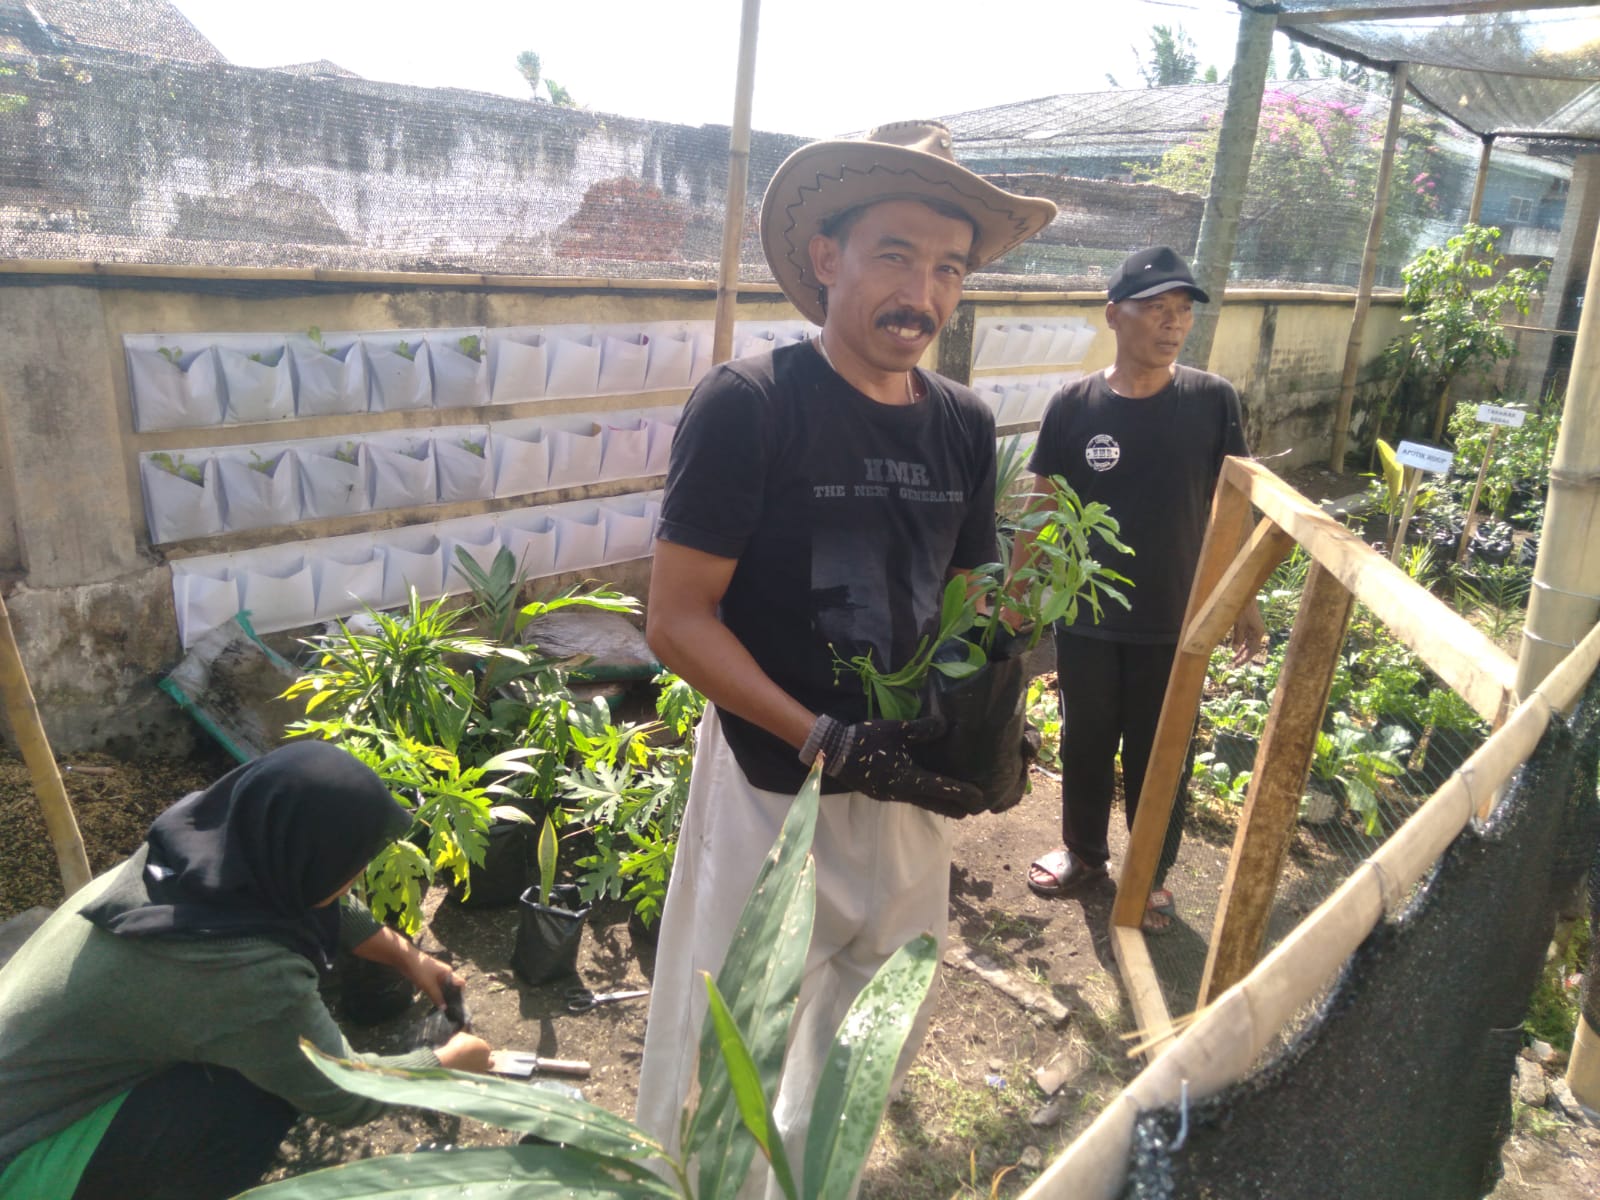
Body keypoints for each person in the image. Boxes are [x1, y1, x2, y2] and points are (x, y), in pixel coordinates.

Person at [634, 121, 1056, 1194]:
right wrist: (819, 734)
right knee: (730, 1044)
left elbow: (960, 600)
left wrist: (996, 695)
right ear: (827, 257)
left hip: (907, 783)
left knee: (875, 1024)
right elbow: (677, 620)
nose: (923, 293)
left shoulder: (963, 423)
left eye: (949, 268)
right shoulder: (752, 405)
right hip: (773, 787)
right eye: (895, 256)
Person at [0, 740, 493, 1200]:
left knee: (253, 1055)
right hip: (20, 1152)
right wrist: (444, 1063)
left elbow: (313, 896)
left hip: (32, 1074)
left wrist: (410, 958)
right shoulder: (244, 972)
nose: (359, 873)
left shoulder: (188, 853)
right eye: (355, 862)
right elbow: (342, 1092)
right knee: (255, 1099)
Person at [1020, 245, 1264, 931]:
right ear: (1113, 316)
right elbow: (1042, 504)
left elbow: (1232, 504)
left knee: (1163, 753)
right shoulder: (1073, 405)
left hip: (1176, 617)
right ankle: (1083, 854)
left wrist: (1242, 597)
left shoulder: (1212, 401)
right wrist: (1015, 592)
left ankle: (1150, 874)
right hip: (1086, 615)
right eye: (1156, 308)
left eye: (1182, 311)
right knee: (1085, 739)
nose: (1173, 323)